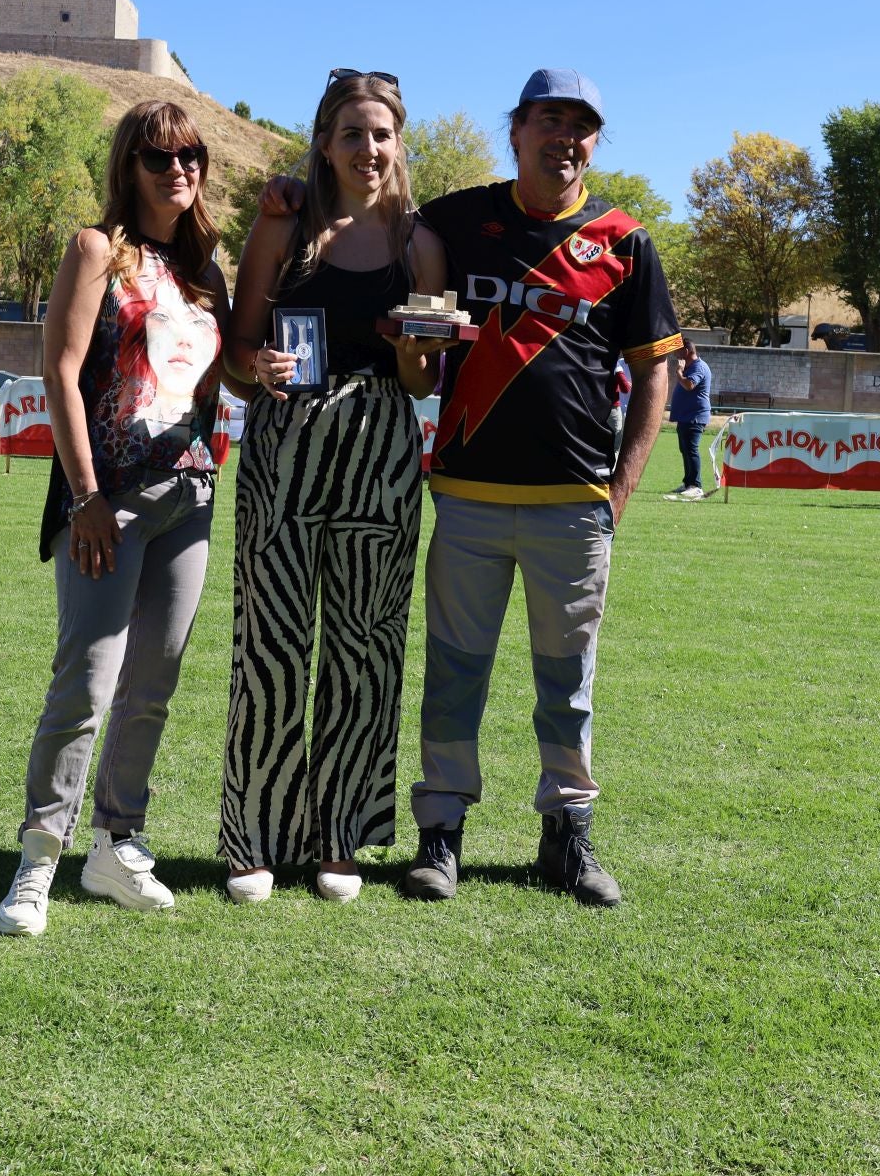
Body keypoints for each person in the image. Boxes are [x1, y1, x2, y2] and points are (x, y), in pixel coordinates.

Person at [398, 69, 677, 907]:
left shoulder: (625, 242)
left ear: (595, 143)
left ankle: (569, 836)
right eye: (549, 120)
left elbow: (654, 378)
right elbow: (373, 218)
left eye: (582, 126)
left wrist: (621, 490)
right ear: (514, 130)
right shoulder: (452, 220)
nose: (565, 137)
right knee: (454, 675)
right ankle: (440, 834)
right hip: (470, 497)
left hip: (574, 506)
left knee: (568, 685)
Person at [0, 101, 241, 935]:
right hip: (109, 501)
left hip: (191, 496)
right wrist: (86, 496)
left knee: (153, 685)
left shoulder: (206, 269)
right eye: (159, 157)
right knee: (87, 681)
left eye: (192, 155)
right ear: (128, 167)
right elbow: (60, 373)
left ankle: (115, 846)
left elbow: (211, 379)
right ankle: (37, 861)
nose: (179, 169)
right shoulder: (97, 250)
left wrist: (260, 366)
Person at [217, 70, 440, 905]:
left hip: (381, 447)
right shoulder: (285, 225)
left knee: (365, 647)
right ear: (324, 142)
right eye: (352, 133)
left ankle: (339, 837)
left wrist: (414, 346)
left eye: (381, 134)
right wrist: (257, 364)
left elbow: (420, 382)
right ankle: (255, 836)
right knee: (269, 645)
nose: (368, 149)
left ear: (397, 143)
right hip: (285, 447)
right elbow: (237, 352)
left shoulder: (422, 242)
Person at [668, 338, 712, 500]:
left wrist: (679, 371)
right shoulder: (690, 366)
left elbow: (689, 385)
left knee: (691, 450)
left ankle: (696, 486)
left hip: (695, 416)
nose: (675, 355)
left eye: (678, 352)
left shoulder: (698, 367)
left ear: (686, 351)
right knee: (685, 449)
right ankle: (688, 483)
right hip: (686, 416)